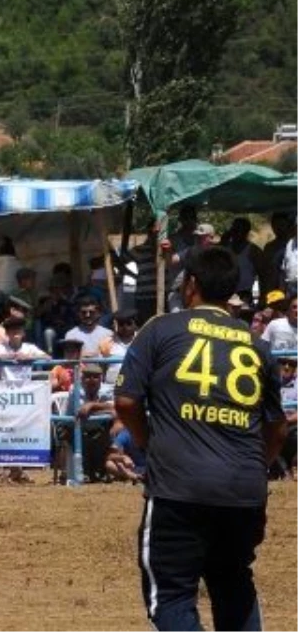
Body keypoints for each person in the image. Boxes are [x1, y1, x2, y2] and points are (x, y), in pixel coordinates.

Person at [114, 246, 287, 631]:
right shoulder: (258, 346)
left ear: (191, 285)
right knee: (234, 586)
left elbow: (126, 403)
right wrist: (254, 466)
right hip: (243, 491)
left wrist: (147, 444)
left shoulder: (160, 329)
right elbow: (277, 428)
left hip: (179, 487)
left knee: (172, 597)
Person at [0, 317, 48, 382]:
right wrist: (7, 356)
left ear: (23, 333)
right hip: (2, 388)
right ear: (7, 333)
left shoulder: (30, 347)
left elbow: (47, 357)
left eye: (19, 329)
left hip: (24, 389)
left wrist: (29, 357)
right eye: (12, 329)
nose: (16, 331)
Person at [223, 217, 264, 308]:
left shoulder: (254, 251)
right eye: (235, 229)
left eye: (240, 230)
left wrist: (262, 297)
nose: (237, 233)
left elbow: (263, 275)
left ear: (247, 232)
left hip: (244, 294)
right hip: (227, 292)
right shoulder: (225, 249)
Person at [98, 310, 138, 384]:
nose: (125, 327)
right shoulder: (106, 343)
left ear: (135, 324)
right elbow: (101, 368)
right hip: (111, 386)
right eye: (121, 324)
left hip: (135, 384)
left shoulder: (142, 341)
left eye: (128, 323)